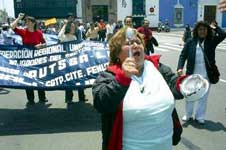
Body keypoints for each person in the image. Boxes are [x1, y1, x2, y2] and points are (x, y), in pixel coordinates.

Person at [92, 27, 188, 150]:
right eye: (128, 43)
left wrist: (185, 84)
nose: (135, 45)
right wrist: (122, 79)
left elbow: (174, 84)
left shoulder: (157, 67)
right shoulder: (109, 76)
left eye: (138, 42)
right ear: (117, 54)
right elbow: (101, 103)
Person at [177, 21, 226, 124]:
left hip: (206, 75)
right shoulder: (190, 42)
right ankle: (188, 114)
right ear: (196, 31)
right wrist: (180, 67)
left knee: (203, 97)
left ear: (208, 30)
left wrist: (215, 27)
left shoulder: (211, 41)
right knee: (189, 95)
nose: (202, 31)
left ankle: (200, 116)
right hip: (192, 74)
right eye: (200, 29)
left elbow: (223, 35)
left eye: (204, 29)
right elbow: (183, 55)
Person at [11, 13, 48, 105]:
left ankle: (42, 97)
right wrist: (19, 18)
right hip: (26, 60)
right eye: (25, 21)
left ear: (33, 23)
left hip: (37, 59)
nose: (26, 23)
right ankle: (30, 99)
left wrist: (41, 45)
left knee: (39, 77)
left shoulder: (39, 33)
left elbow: (45, 44)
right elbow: (12, 27)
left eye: (28, 21)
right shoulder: (23, 32)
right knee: (27, 79)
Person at [58, 20, 87, 104]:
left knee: (79, 78)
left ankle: (81, 97)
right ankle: (69, 98)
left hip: (75, 60)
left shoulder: (74, 37)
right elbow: (59, 36)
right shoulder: (63, 36)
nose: (74, 28)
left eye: (74, 27)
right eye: (72, 27)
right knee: (68, 79)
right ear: (68, 27)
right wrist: (65, 24)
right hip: (67, 61)